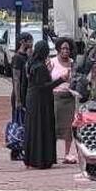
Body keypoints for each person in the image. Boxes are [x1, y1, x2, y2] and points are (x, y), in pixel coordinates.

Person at [24, 40, 65, 169]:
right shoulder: (40, 67)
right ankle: (42, 159)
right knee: (42, 127)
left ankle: (32, 158)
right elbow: (44, 86)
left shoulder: (32, 64)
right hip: (41, 102)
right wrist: (61, 80)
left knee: (34, 128)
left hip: (32, 100)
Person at [50, 37, 79, 164]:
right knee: (54, 127)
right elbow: (47, 80)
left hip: (69, 98)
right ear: (58, 49)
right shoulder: (52, 62)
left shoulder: (73, 63)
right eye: (63, 48)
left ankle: (67, 154)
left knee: (69, 127)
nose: (65, 51)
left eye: (67, 48)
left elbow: (77, 79)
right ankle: (52, 153)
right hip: (55, 98)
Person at [8, 33, 33, 161]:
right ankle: (15, 149)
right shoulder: (17, 58)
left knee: (24, 123)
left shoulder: (27, 57)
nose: (31, 43)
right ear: (23, 42)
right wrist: (18, 99)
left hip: (26, 94)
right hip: (19, 95)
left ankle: (21, 147)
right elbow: (16, 79)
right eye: (30, 41)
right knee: (18, 123)